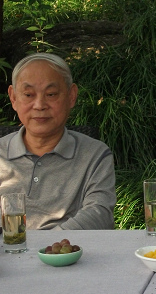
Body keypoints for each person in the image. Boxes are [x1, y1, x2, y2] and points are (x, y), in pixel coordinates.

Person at [0, 53, 116, 230]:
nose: (39, 105)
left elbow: (99, 213)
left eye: (51, 94)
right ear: (13, 98)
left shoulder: (95, 154)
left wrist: (52, 242)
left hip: (67, 246)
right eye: (29, 94)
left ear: (71, 96)